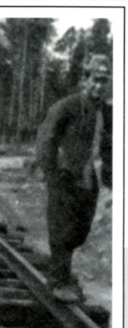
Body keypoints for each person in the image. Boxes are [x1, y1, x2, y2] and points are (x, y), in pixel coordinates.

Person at [36, 54, 112, 303]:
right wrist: (51, 174)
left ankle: (63, 275)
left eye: (105, 80)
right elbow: (47, 139)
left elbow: (110, 145)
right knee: (62, 230)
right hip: (65, 177)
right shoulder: (67, 106)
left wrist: (110, 175)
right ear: (85, 79)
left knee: (80, 231)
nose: (100, 85)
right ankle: (58, 281)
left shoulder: (107, 112)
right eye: (95, 79)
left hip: (89, 181)